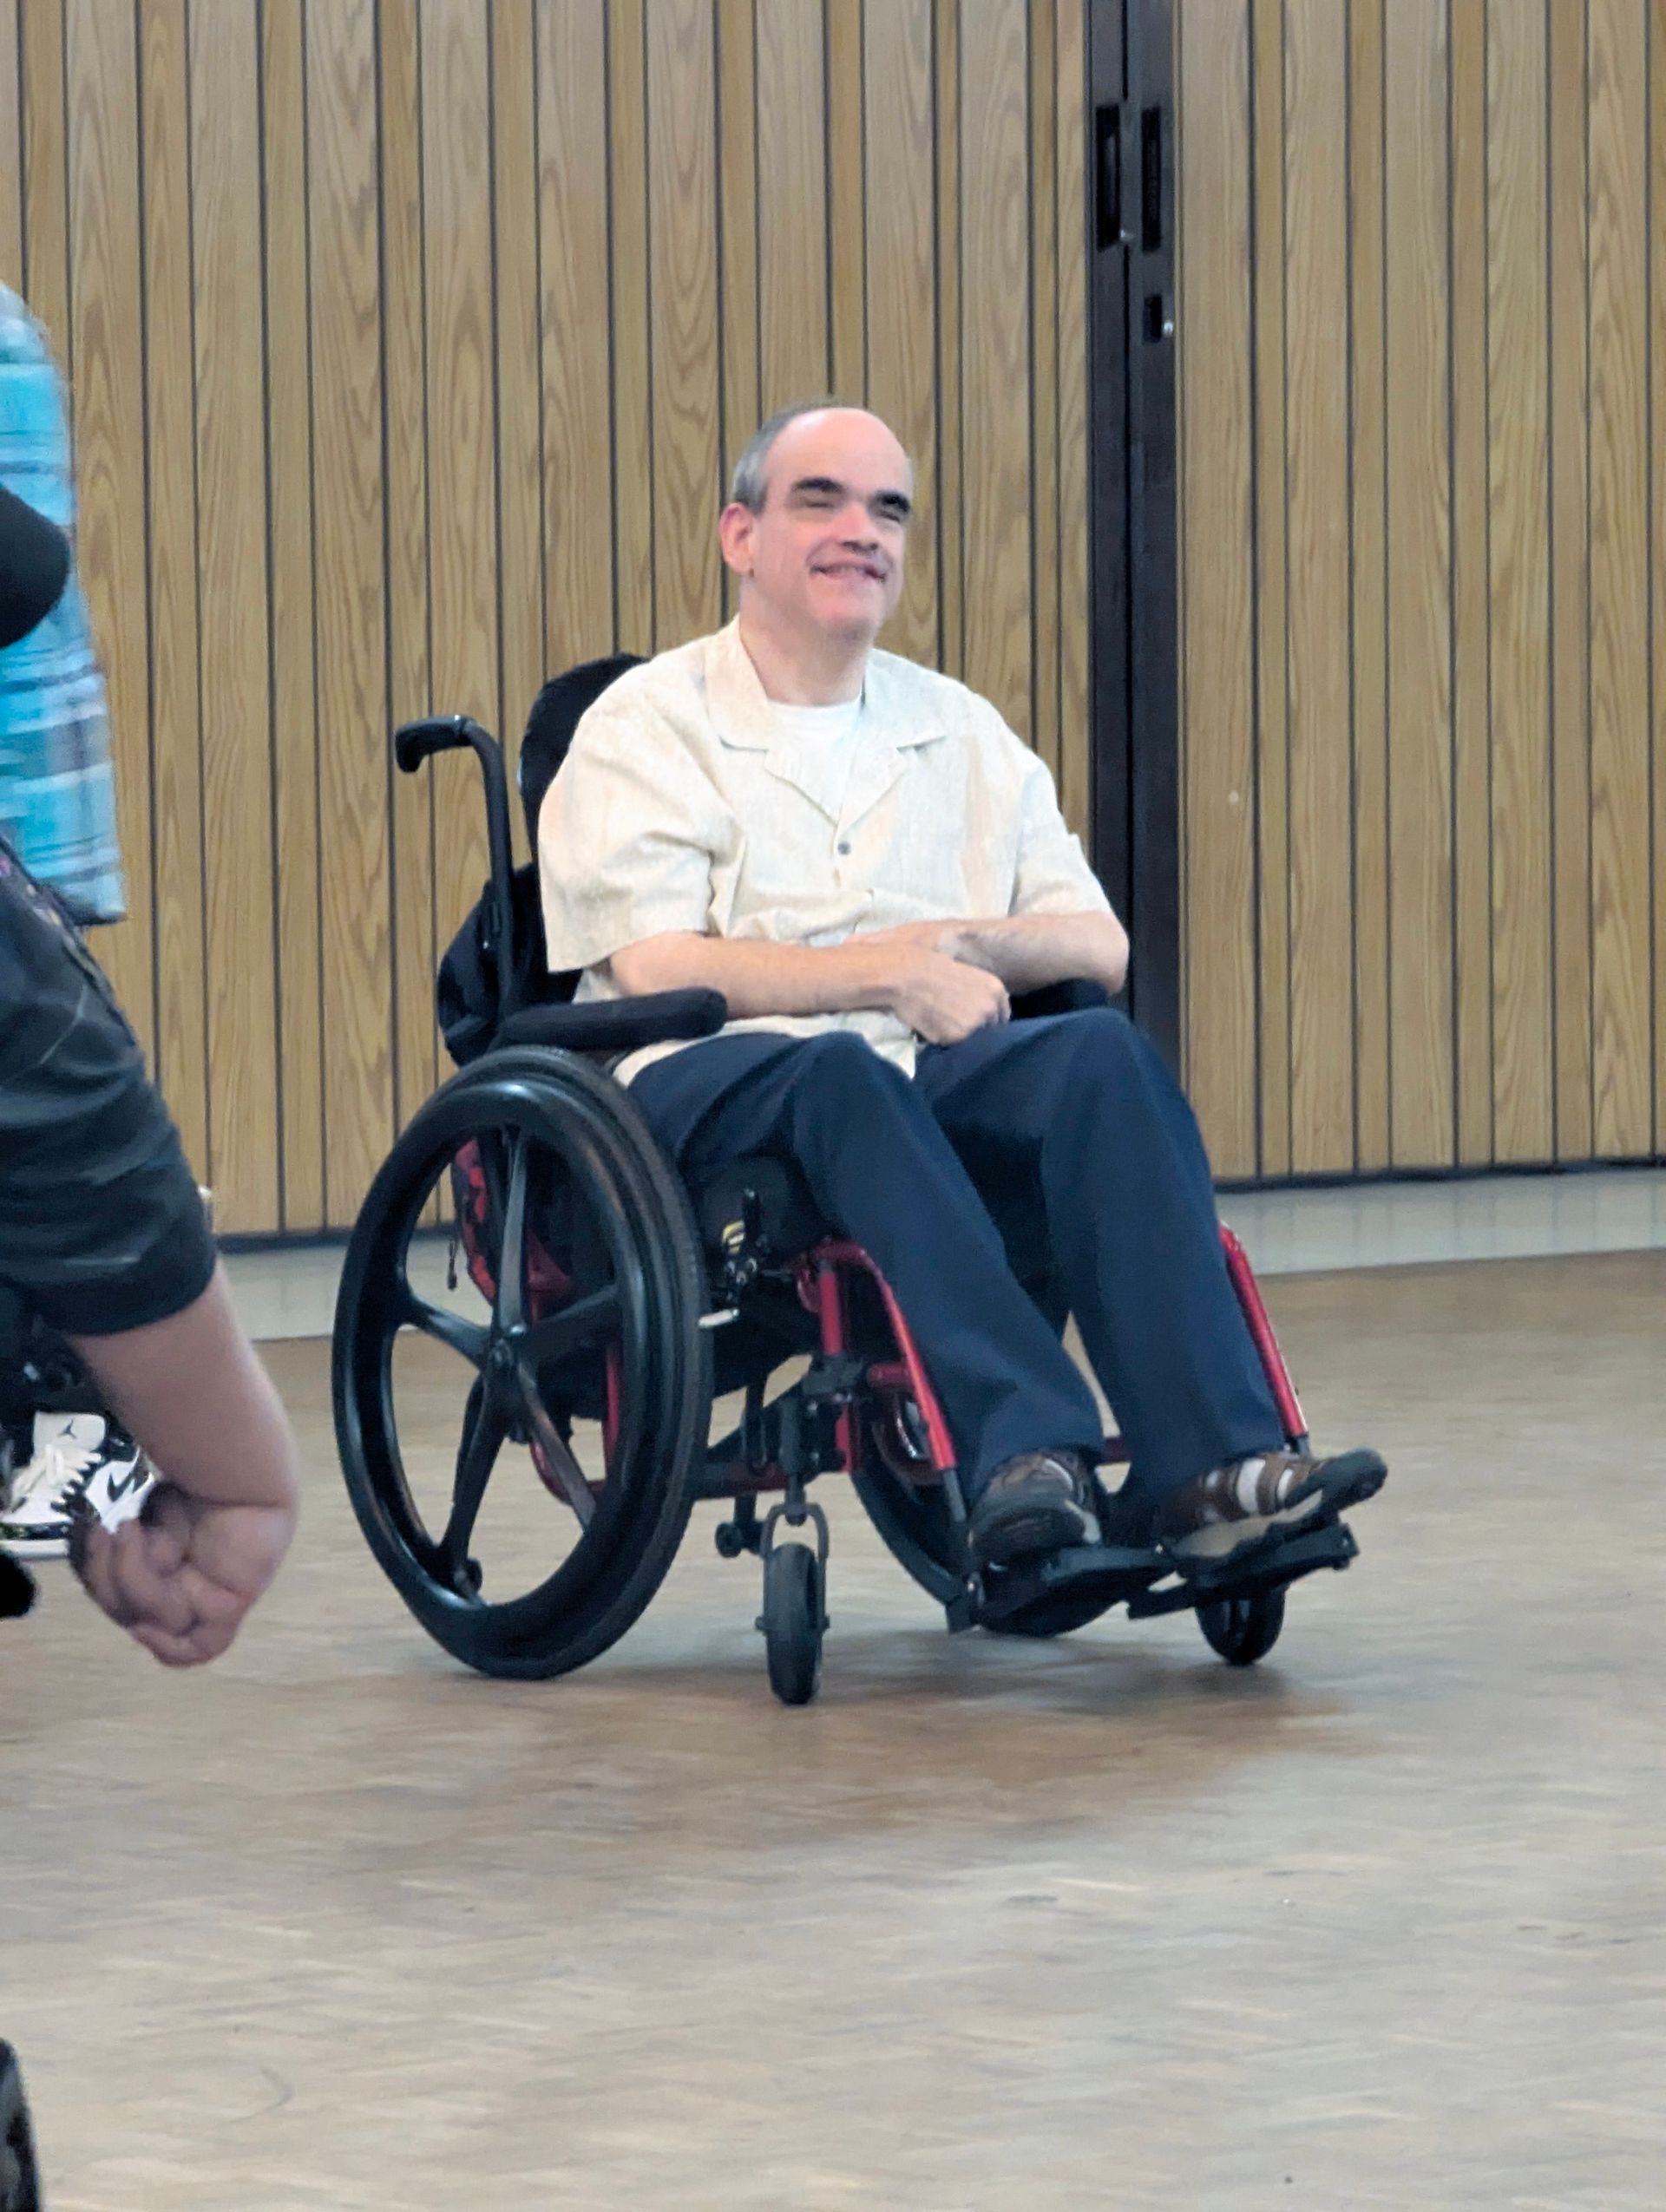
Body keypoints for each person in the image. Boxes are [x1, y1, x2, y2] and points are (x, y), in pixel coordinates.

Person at [538, 400, 1385, 1575]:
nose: (862, 531)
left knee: (1100, 1056)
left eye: (888, 510)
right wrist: (879, 971)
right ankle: (1026, 1454)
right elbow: (656, 964)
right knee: (839, 1072)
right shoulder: (645, 724)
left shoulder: (959, 728)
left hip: (913, 1069)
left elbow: (1097, 944)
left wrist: (959, 945)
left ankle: (1210, 1466)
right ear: (740, 535)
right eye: (820, 500)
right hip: (700, 1079)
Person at [0, 283, 153, 1559]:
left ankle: (97, 1437)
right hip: (28, 795)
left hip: (15, 796)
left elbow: (21, 567)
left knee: (44, 1153)